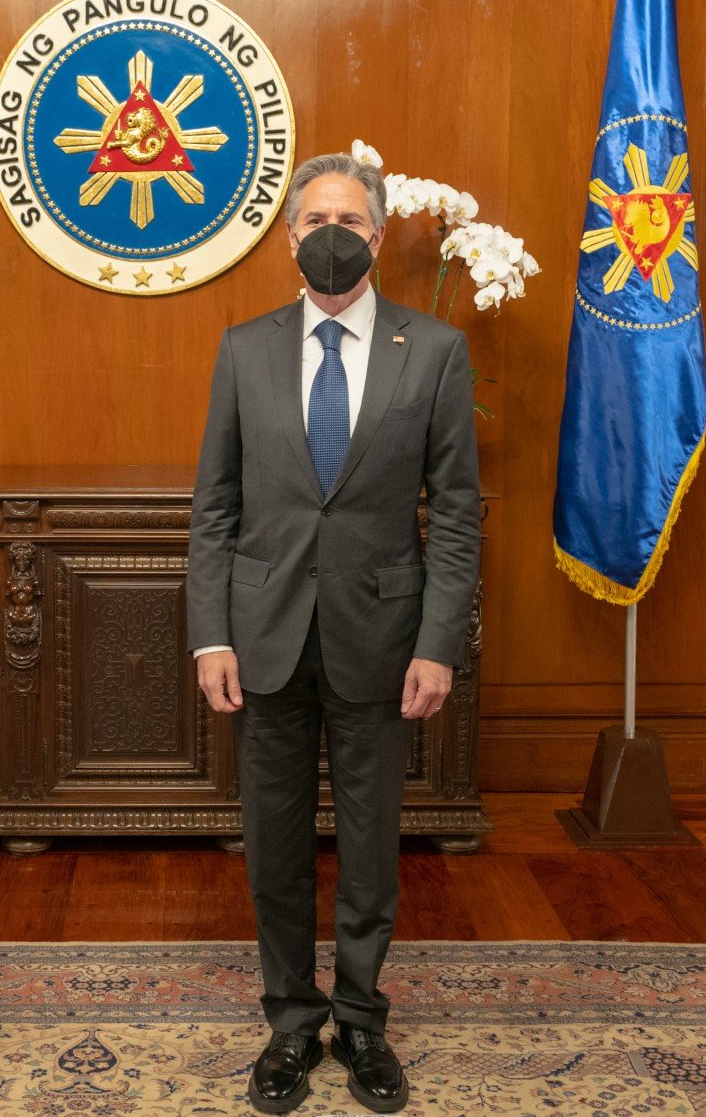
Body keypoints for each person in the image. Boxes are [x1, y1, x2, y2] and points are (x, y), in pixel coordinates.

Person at [187, 154, 480, 1114]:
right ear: (287, 239)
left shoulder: (431, 350)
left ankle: (359, 1020)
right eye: (312, 217)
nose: (330, 231)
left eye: (348, 217)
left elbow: (459, 513)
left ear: (379, 233)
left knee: (369, 842)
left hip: (384, 642)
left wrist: (438, 641)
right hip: (263, 638)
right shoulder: (243, 348)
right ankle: (288, 1021)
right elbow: (216, 510)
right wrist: (210, 636)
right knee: (272, 843)